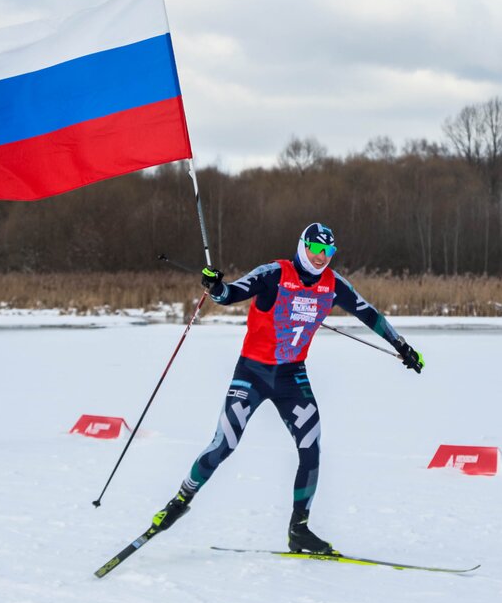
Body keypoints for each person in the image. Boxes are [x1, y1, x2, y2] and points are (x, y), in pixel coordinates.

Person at [150, 222, 424, 554]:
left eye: (329, 252)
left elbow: (369, 314)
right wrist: (215, 286)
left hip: (292, 377)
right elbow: (230, 294)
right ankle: (180, 500)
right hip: (252, 373)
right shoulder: (274, 274)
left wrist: (401, 346)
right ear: (302, 245)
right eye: (316, 249)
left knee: (311, 449)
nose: (322, 257)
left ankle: (299, 530)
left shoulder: (333, 284)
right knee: (225, 443)